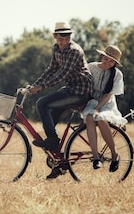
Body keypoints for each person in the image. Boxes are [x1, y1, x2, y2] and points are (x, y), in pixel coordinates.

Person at [28, 21, 93, 158]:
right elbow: (52, 69)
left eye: (67, 39)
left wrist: (42, 87)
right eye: (60, 39)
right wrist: (35, 85)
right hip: (70, 88)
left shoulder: (74, 50)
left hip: (81, 92)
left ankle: (53, 141)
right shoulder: (56, 48)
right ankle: (57, 157)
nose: (63, 42)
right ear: (54, 36)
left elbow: (63, 74)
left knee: (41, 103)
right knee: (50, 117)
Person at [83, 45, 127, 173]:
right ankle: (96, 158)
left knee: (101, 118)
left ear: (115, 63)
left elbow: (109, 95)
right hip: (92, 101)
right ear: (102, 56)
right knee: (90, 117)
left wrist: (98, 108)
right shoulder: (91, 67)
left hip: (107, 103)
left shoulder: (117, 74)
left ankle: (114, 155)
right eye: (106, 59)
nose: (108, 63)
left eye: (111, 61)